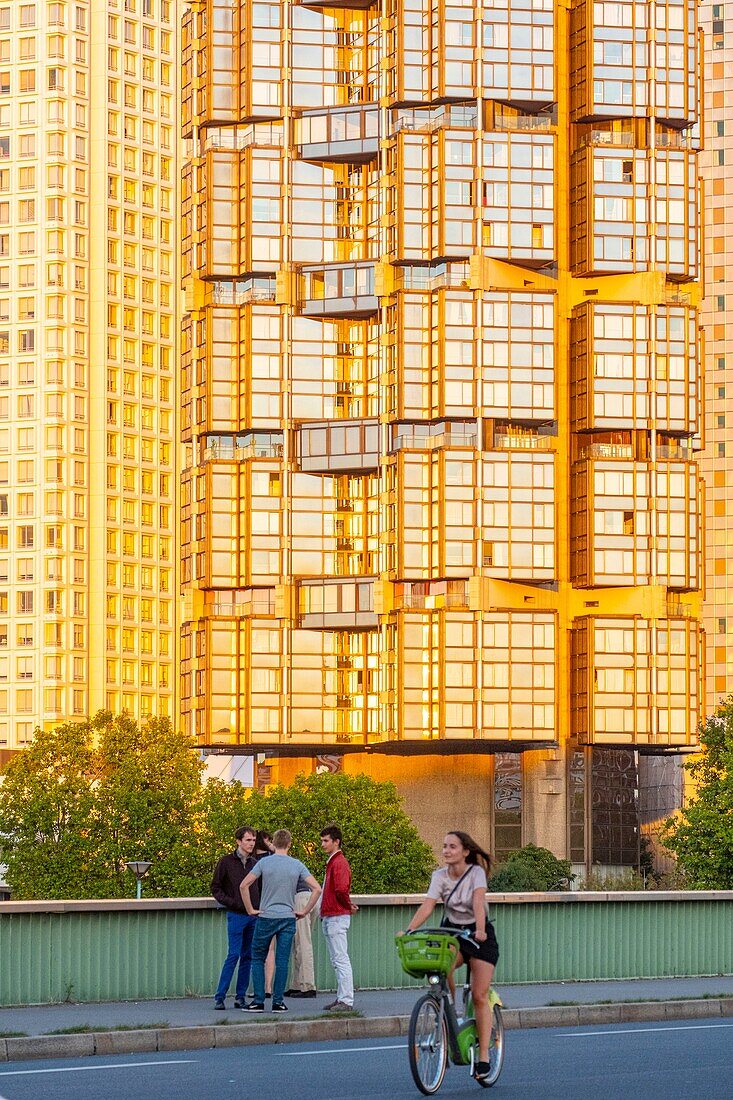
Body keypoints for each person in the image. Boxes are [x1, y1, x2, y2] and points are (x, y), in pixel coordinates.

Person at [400, 831, 499, 1084]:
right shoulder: (439, 876)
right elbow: (428, 905)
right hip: (452, 931)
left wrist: (479, 928)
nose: (446, 851)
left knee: (479, 995)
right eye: (444, 846)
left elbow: (478, 901)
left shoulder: (475, 872)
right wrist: (409, 930)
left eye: (452, 846)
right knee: (441, 967)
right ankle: (452, 1008)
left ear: (465, 851)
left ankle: (485, 1056)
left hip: (478, 935)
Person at [240, 828, 321, 1012]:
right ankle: (278, 1002)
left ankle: (259, 1001)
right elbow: (317, 888)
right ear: (289, 844)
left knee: (258, 958)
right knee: (282, 961)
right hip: (288, 917)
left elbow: (244, 885)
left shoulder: (264, 863)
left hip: (266, 915)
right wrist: (304, 911)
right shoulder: (297, 864)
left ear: (273, 843)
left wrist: (251, 909)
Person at [210, 825, 259, 1010]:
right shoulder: (226, 862)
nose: (251, 844)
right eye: (248, 840)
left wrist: (257, 906)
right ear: (238, 841)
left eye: (253, 840)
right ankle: (220, 996)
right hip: (236, 914)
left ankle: (241, 996)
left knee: (248, 956)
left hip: (253, 915)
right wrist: (232, 902)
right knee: (233, 955)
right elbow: (216, 887)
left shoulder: (255, 863)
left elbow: (260, 887)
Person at [319, 823, 359, 1011]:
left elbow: (341, 889)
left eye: (326, 841)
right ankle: (342, 997)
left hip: (336, 915)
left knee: (340, 959)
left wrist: (347, 906)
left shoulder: (339, 863)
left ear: (336, 842)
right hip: (332, 914)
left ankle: (346, 1000)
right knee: (338, 959)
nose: (323, 844)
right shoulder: (335, 862)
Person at [253, 830, 276, 998]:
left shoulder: (254, 862)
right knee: (270, 949)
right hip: (271, 906)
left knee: (257, 951)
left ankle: (260, 988)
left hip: (257, 906)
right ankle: (268, 987)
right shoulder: (273, 860)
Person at [285, 887, 317, 997]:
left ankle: (308, 986)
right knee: (300, 943)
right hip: (309, 896)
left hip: (300, 898)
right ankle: (297, 985)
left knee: (303, 944)